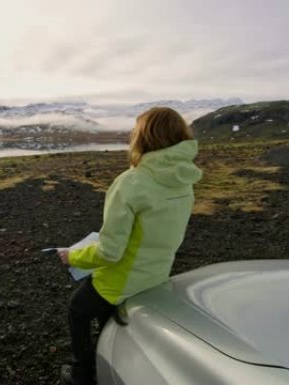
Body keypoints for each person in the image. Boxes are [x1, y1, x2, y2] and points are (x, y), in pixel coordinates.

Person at [57, 107, 203, 385]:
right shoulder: (186, 179)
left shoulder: (131, 182)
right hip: (157, 276)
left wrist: (72, 256)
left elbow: (110, 252)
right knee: (109, 321)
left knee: (78, 308)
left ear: (143, 137)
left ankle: (83, 372)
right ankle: (112, 354)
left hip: (121, 281)